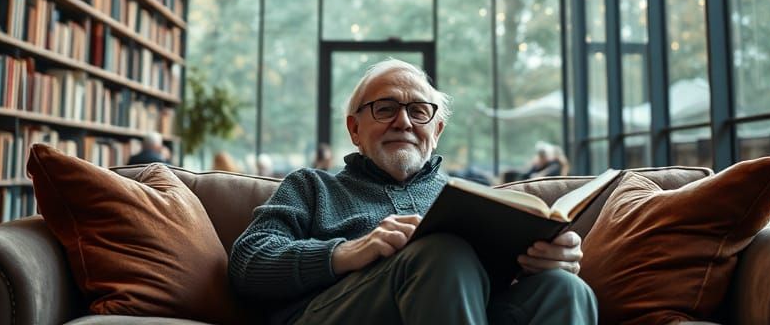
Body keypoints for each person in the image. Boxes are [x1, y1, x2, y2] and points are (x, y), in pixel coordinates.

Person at [229, 59, 596, 325]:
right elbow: (247, 262)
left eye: (419, 111)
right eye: (385, 108)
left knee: (565, 288)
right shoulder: (312, 186)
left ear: (436, 131)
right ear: (354, 129)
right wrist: (348, 252)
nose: (403, 122)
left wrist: (542, 260)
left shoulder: (473, 198)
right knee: (441, 253)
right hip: (336, 312)